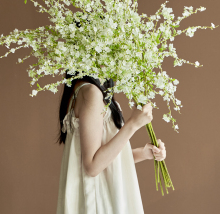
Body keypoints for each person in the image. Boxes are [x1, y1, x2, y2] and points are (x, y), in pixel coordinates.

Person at [56, 71, 166, 214]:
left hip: (98, 196)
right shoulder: (91, 93)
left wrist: (143, 153)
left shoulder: (82, 89)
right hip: (100, 200)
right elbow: (92, 166)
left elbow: (102, 158)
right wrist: (133, 124)